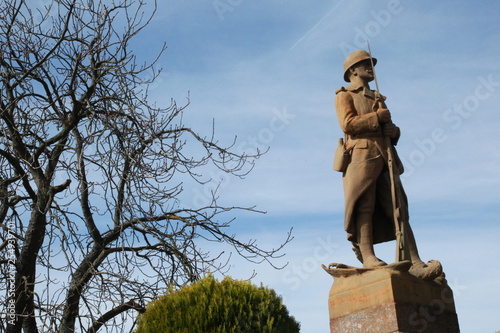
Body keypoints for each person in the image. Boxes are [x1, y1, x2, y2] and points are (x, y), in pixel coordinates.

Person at [334, 49, 440, 279]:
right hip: (361, 157)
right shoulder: (345, 95)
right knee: (364, 206)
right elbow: (348, 124)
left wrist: (394, 131)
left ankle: (413, 260)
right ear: (353, 70)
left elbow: (389, 129)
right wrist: (376, 119)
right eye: (365, 64)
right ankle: (368, 256)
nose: (371, 68)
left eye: (371, 64)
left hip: (385, 155)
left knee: (399, 208)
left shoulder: (378, 98)